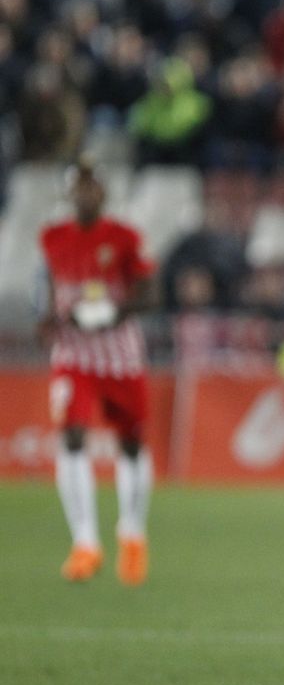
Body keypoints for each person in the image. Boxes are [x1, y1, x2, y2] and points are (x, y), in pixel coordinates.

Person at [38, 160, 157, 585]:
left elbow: (149, 293)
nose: (85, 195)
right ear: (69, 195)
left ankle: (132, 533)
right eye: (78, 188)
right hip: (73, 356)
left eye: (92, 188)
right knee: (71, 437)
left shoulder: (124, 238)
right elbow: (51, 292)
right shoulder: (52, 238)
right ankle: (85, 542)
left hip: (120, 355)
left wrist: (113, 313)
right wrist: (49, 320)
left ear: (103, 194)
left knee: (131, 444)